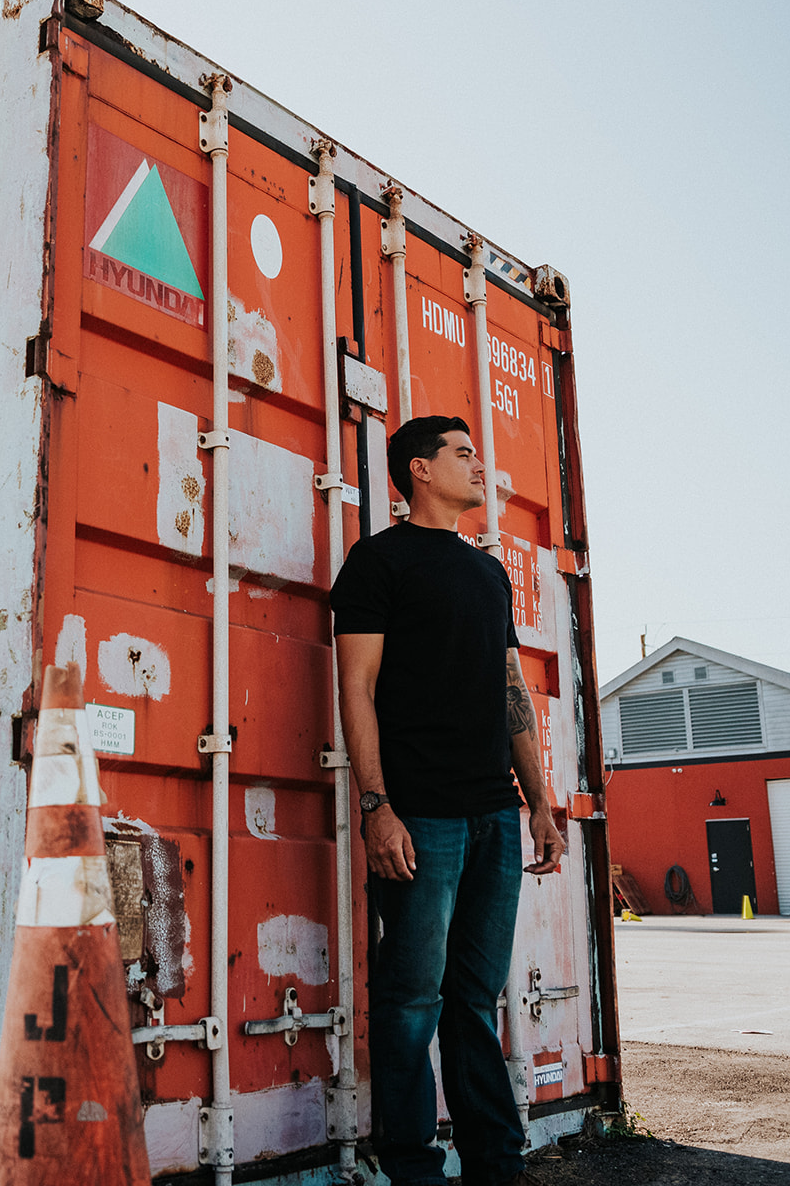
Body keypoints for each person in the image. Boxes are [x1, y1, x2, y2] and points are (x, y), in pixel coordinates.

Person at [330, 415, 566, 1186]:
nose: (478, 467)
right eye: (463, 454)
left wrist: (539, 800)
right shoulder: (377, 563)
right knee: (410, 1004)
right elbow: (355, 689)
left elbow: (511, 692)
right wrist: (376, 806)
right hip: (419, 817)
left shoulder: (487, 572)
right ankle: (413, 1170)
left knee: (472, 1000)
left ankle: (496, 1164)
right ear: (420, 471)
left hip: (494, 814)